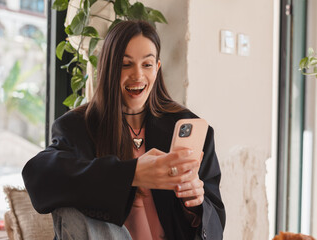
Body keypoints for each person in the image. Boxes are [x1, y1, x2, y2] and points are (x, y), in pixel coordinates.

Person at [22, 20, 225, 240]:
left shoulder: (185, 125)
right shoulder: (77, 126)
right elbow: (38, 175)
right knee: (69, 204)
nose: (137, 75)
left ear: (157, 69)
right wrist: (133, 173)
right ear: (108, 68)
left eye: (147, 64)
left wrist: (195, 204)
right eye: (125, 64)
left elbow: (216, 227)